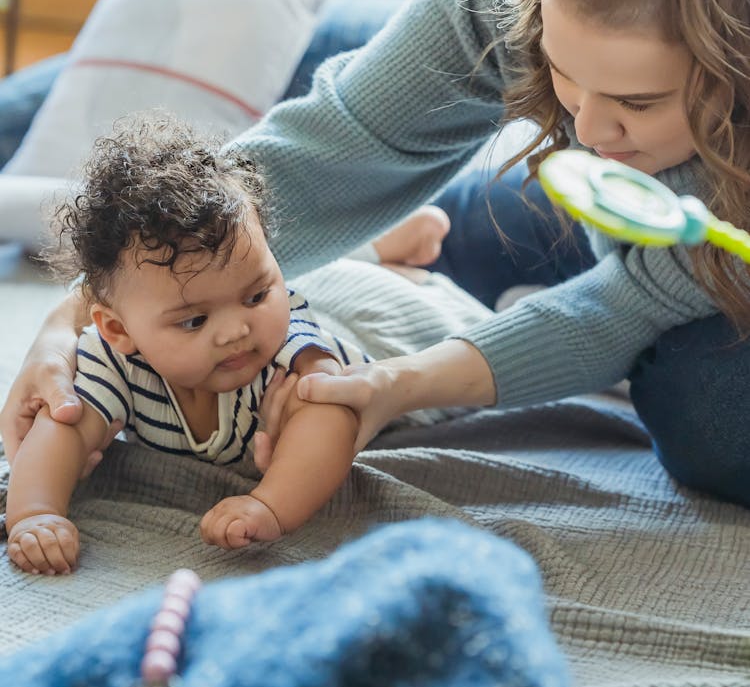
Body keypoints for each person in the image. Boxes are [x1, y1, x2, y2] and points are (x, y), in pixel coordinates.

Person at [3, 0, 750, 508]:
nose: (585, 128)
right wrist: (76, 315)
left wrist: (392, 385)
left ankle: (400, 241)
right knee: (226, 60)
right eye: (563, 74)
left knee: (709, 422)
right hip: (494, 123)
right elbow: (342, 142)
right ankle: (398, 225)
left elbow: (615, 309)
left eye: (635, 100)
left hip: (701, 230)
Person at [3, 112, 467, 574]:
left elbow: (333, 418)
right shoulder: (111, 360)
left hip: (383, 323)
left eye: (258, 294)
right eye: (195, 320)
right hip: (315, 291)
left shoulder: (289, 343)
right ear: (119, 331)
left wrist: (270, 505)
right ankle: (379, 250)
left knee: (440, 316)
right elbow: (63, 425)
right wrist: (35, 513)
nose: (236, 331)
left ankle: (383, 255)